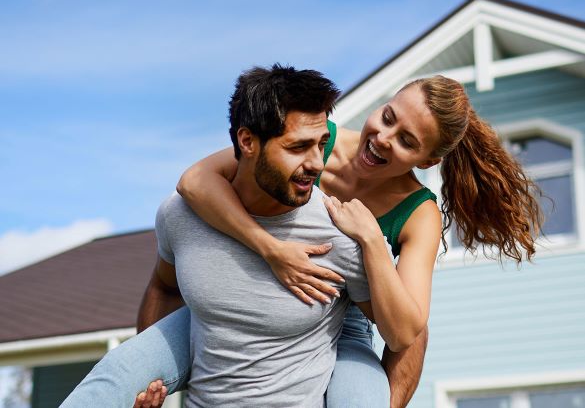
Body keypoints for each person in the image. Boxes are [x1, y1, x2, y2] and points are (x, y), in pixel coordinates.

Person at [137, 70, 543, 407]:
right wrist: (271, 248)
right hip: (256, 288)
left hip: (348, 317)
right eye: (388, 117)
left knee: (414, 331)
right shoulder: (316, 139)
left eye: (406, 141)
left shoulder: (419, 213)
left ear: (428, 161)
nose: (384, 138)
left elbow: (406, 329)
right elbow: (194, 181)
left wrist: (369, 238)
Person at [62, 64, 397, 407]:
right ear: (247, 141)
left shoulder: (339, 234)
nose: (316, 163)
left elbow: (406, 334)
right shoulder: (181, 214)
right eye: (297, 147)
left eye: (321, 145)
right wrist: (150, 384)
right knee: (107, 382)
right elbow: (164, 287)